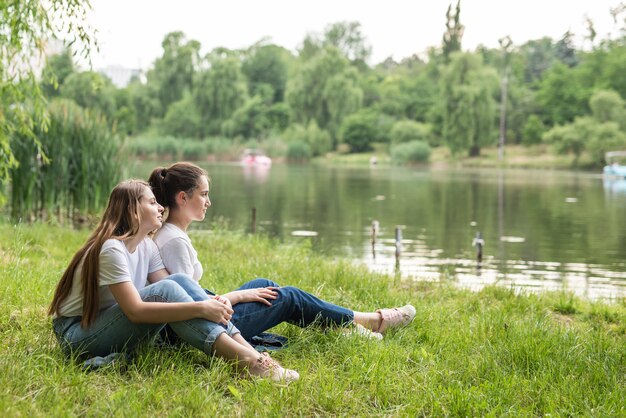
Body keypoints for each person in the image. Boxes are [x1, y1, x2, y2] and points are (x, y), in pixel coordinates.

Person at [48, 179, 299, 382]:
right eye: (152, 202)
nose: (161, 208)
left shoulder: (146, 246)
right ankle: (243, 362)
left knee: (177, 279)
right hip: (76, 335)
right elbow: (135, 311)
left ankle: (252, 355)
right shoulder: (112, 249)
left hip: (107, 324)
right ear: (132, 210)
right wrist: (202, 308)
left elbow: (179, 288)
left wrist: (216, 300)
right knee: (168, 287)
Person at [147, 162, 416, 344]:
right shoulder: (174, 240)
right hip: (197, 330)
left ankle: (344, 329)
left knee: (265, 286)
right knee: (288, 298)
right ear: (183, 198)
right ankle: (373, 321)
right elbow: (192, 310)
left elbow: (193, 298)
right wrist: (238, 296)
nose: (209, 201)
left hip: (205, 314)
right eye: (203, 194)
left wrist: (237, 296)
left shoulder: (173, 234)